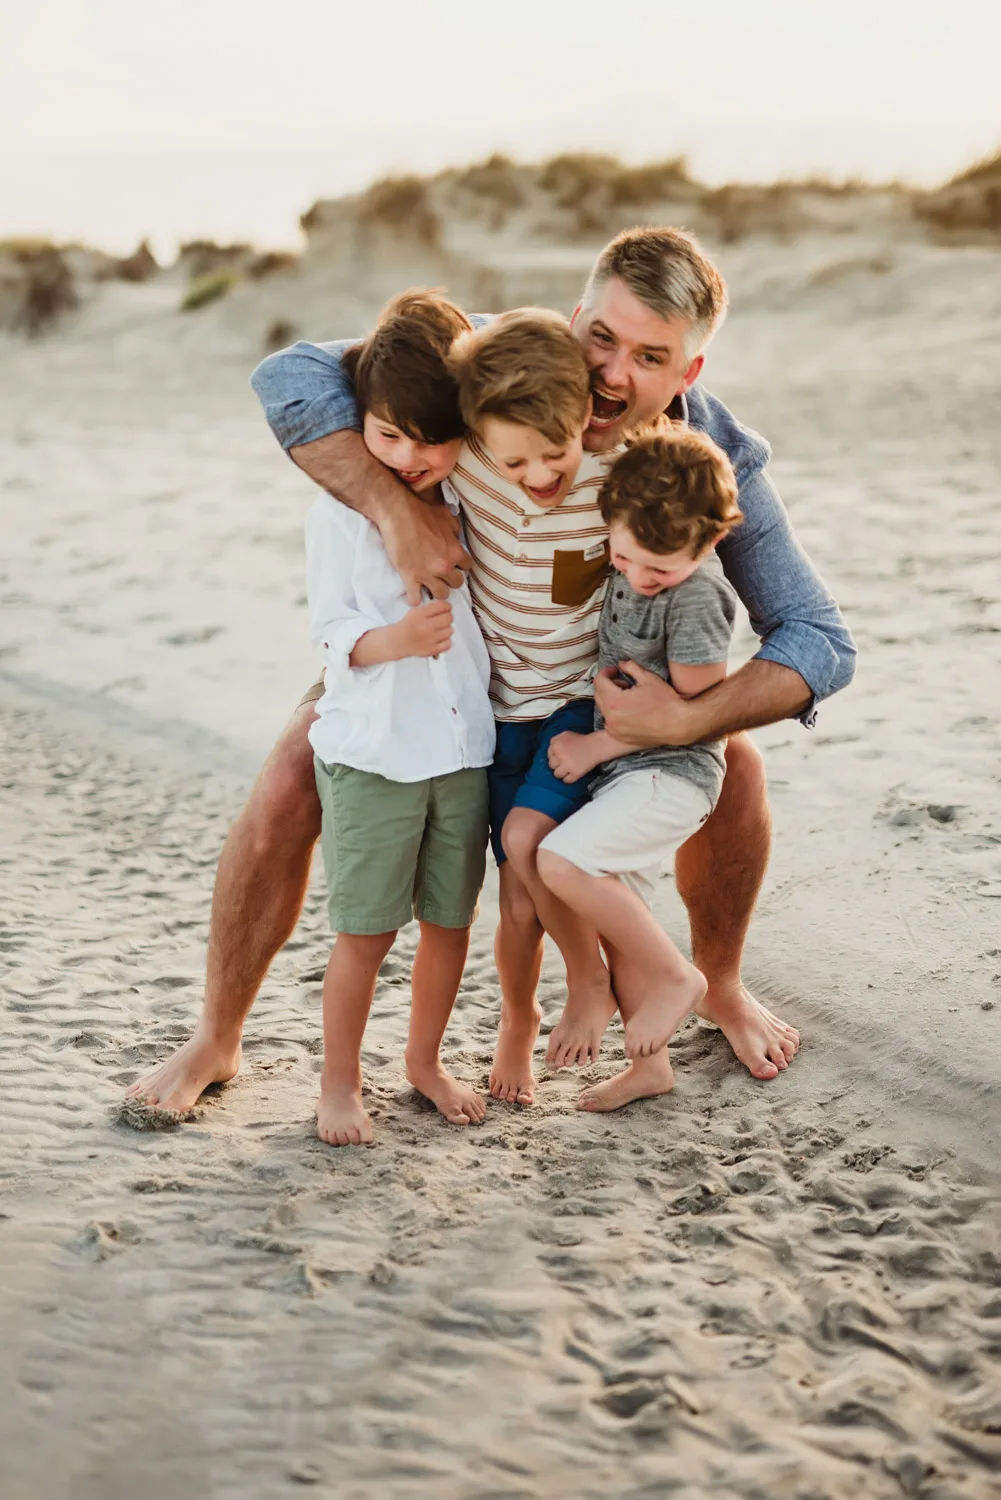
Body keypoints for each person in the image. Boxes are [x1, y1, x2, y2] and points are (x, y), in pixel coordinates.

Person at [126, 226, 856, 1119]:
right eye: (602, 338)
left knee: (731, 758)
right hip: (434, 654)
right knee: (290, 770)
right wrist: (397, 513)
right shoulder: (492, 358)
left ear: (686, 375)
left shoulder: (706, 458)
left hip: (578, 696)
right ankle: (217, 1035)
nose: (611, 374)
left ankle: (721, 986)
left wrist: (673, 720)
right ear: (574, 315)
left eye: (649, 357)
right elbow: (292, 377)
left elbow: (817, 639)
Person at [537, 424, 742, 1112]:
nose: (639, 578)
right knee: (619, 914)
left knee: (560, 863)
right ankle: (649, 1068)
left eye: (659, 568)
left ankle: (679, 980)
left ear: (710, 541)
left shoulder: (697, 598)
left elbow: (692, 709)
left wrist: (596, 748)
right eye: (625, 558)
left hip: (672, 773)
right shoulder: (631, 556)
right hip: (631, 774)